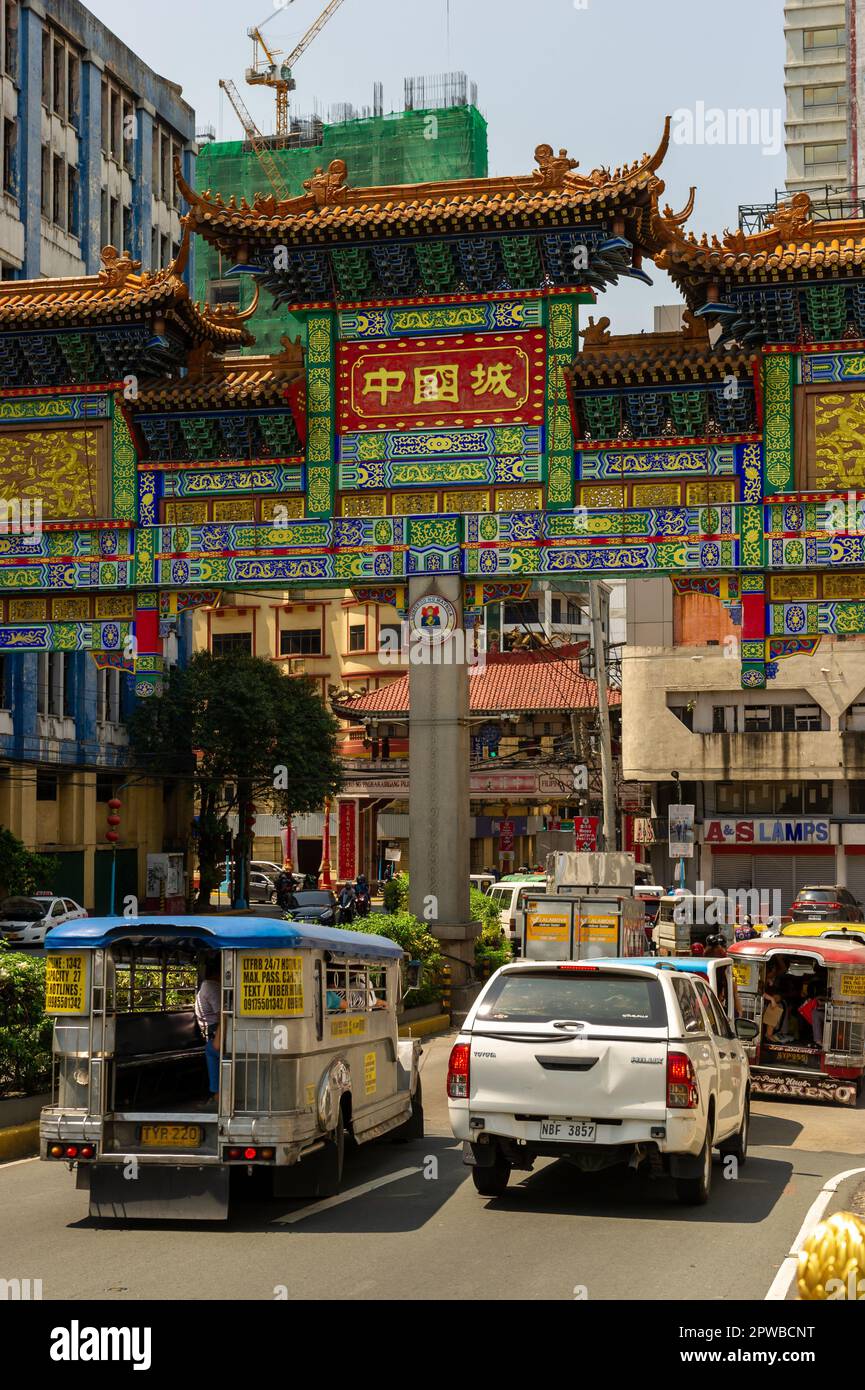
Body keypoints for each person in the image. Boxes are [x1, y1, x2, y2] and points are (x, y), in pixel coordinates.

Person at [195, 958, 221, 1107]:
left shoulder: (209, 986)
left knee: (211, 1051)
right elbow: (222, 1015)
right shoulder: (211, 986)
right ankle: (216, 1095)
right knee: (212, 1050)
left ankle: (216, 1095)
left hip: (213, 1033)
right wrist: (218, 1038)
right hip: (215, 1031)